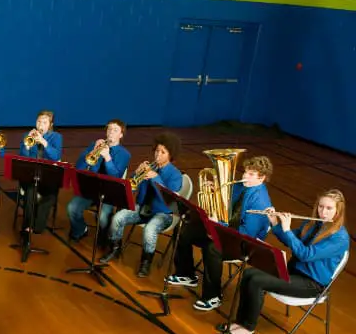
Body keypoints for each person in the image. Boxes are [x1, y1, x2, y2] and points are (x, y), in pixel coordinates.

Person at [225, 189, 350, 334]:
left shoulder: (339, 238)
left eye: (329, 208)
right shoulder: (312, 224)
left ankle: (248, 328)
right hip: (293, 272)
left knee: (257, 281)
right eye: (320, 206)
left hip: (312, 283)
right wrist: (275, 222)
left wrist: (287, 229)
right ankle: (241, 322)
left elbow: (305, 254)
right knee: (249, 273)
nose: (323, 212)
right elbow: (288, 240)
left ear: (338, 211)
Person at [167, 156, 274, 311]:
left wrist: (218, 225)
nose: (244, 176)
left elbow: (246, 234)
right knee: (184, 227)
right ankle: (186, 274)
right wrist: (215, 191)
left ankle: (213, 296)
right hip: (225, 231)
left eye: (251, 174)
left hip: (243, 244)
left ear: (262, 178)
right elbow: (226, 202)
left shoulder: (260, 201)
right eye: (245, 172)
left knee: (212, 247)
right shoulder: (242, 186)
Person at [99, 132, 183, 277]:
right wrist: (136, 174)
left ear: (171, 155)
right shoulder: (149, 167)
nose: (158, 155)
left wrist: (156, 178)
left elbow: (168, 200)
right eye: (157, 151)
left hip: (163, 213)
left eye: (163, 152)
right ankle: (115, 248)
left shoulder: (175, 175)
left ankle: (146, 262)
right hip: (143, 207)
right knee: (118, 217)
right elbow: (132, 186)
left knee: (149, 230)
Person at [66, 119, 131, 243]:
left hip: (109, 192)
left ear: (121, 135)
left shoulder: (124, 154)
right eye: (109, 129)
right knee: (72, 208)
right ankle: (80, 229)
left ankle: (103, 234)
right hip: (91, 189)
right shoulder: (95, 145)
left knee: (102, 217)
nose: (111, 132)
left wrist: (107, 157)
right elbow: (79, 167)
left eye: (115, 130)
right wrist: (92, 151)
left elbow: (116, 176)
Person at [18, 110, 63, 235]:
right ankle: (27, 226)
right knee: (30, 191)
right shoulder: (28, 135)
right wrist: (27, 146)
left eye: (44, 122)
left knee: (50, 197)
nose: (41, 125)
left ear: (50, 125)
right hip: (31, 176)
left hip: (48, 177)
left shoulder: (56, 137)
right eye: (39, 121)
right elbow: (22, 158)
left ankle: (37, 227)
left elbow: (56, 156)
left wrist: (44, 142)